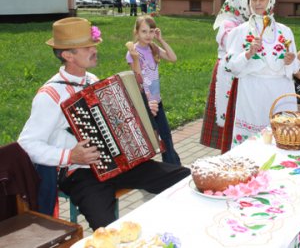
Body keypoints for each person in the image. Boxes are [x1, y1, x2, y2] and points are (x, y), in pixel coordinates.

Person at [17, 17, 190, 230]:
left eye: (93, 44)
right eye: (87, 47)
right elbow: (26, 144)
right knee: (108, 229)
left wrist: (143, 111)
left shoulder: (92, 79)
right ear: (67, 55)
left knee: (183, 178)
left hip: (117, 163)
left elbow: (111, 120)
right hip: (79, 172)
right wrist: (69, 156)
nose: (94, 50)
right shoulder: (50, 95)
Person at [224, 0, 300, 148]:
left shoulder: (285, 31)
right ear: (249, 2)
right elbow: (231, 66)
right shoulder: (240, 32)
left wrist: (289, 61)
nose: (258, 3)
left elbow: (295, 66)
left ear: (270, 1)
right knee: (253, 144)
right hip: (253, 91)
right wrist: (248, 53)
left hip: (281, 89)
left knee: (283, 136)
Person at [126, 16, 181, 165]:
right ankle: (144, 170)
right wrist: (135, 58)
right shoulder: (133, 52)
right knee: (147, 139)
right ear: (136, 32)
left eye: (151, 31)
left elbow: (173, 58)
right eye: (144, 31)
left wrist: (161, 40)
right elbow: (138, 78)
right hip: (144, 103)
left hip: (157, 101)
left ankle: (174, 168)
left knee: (166, 136)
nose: (148, 35)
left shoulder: (153, 48)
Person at [199, 0, 250, 151]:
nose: (252, 6)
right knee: (228, 110)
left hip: (239, 69)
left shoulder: (245, 22)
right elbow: (231, 45)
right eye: (249, 2)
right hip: (226, 73)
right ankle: (227, 147)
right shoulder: (228, 24)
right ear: (240, 5)